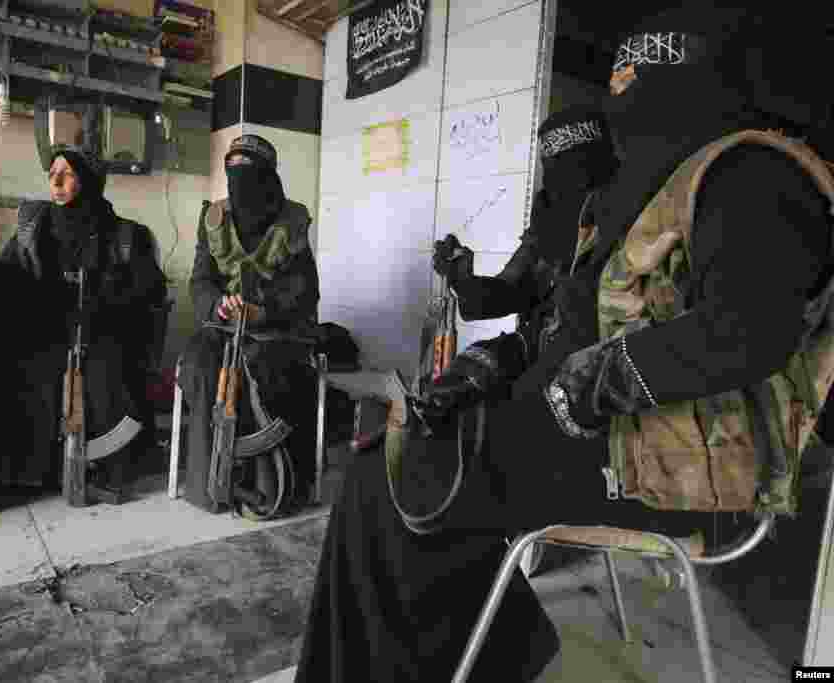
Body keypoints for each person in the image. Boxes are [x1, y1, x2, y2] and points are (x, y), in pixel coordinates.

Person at [295, 4, 832, 681]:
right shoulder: (642, 191)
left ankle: (483, 654)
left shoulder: (754, 176)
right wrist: (496, 363)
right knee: (398, 454)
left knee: (399, 479)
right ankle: (497, 649)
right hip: (604, 432)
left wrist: (585, 384)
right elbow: (576, 319)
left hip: (681, 468)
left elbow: (746, 331)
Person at [0, 145, 167, 497]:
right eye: (52, 172)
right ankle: (32, 470)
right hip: (45, 327)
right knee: (13, 362)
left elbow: (151, 289)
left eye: (67, 173)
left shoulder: (127, 235)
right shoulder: (33, 227)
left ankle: (108, 466)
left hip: (102, 328)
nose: (55, 180)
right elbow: (8, 272)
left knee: (108, 373)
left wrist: (106, 301)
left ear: (88, 181)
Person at [417, 106, 619, 432]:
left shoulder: (629, 223)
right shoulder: (549, 219)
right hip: (536, 351)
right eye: (552, 168)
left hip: (601, 371)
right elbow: (508, 290)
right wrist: (464, 279)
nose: (562, 184)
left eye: (574, 167)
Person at [179, 134, 321, 515]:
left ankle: (269, 482)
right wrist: (218, 306)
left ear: (269, 177)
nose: (240, 184)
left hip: (276, 332)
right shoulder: (213, 219)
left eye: (251, 174)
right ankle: (209, 483)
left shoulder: (291, 220)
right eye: (233, 173)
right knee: (199, 364)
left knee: (273, 372)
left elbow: (306, 291)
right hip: (224, 328)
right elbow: (200, 281)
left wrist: (264, 310)